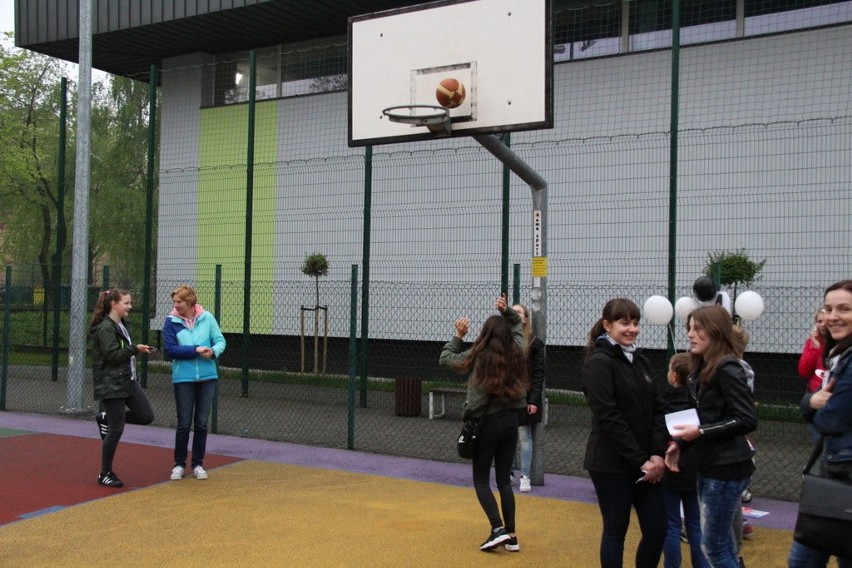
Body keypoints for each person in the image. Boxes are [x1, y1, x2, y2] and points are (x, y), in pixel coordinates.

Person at [665, 305, 758, 568]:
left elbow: (747, 419)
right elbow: (706, 415)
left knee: (714, 546)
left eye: (698, 329)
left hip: (726, 468)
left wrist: (700, 432)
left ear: (716, 332)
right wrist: (680, 443)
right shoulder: (703, 366)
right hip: (710, 465)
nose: (691, 335)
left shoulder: (727, 366)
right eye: (690, 329)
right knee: (721, 544)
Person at [581, 298, 668, 568]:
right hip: (611, 464)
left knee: (657, 529)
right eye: (624, 323)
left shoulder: (641, 361)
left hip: (647, 464)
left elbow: (658, 409)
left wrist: (655, 454)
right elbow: (609, 417)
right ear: (607, 325)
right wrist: (639, 460)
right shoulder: (599, 363)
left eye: (635, 323)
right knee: (616, 530)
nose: (632, 329)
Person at [439, 294, 529, 552]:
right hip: (511, 422)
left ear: (485, 334)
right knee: (503, 480)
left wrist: (458, 334)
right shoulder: (517, 353)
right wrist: (509, 313)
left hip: (485, 423)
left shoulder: (477, 355)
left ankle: (497, 528)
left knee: (481, 479)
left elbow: (446, 358)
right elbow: (518, 329)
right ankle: (511, 535)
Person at [787, 279, 852, 568]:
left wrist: (810, 406)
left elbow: (832, 418)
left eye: (844, 308)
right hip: (834, 471)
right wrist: (811, 402)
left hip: (842, 473)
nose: (833, 316)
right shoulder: (839, 354)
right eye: (828, 308)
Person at [89, 289, 156, 487]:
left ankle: (105, 418)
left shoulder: (122, 325)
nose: (130, 306)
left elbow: (122, 353)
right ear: (114, 304)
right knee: (116, 430)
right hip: (111, 384)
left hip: (128, 381)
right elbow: (112, 356)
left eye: (130, 303)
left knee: (146, 416)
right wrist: (134, 348)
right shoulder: (105, 329)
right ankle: (105, 473)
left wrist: (136, 349)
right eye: (126, 303)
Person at [163, 285, 226, 481]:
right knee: (183, 423)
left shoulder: (207, 318)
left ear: (190, 302)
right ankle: (179, 465)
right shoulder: (171, 322)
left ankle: (198, 464)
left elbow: (220, 340)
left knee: (201, 423)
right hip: (183, 379)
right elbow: (170, 350)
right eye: (174, 302)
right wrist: (196, 350)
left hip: (208, 378)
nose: (175, 306)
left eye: (179, 302)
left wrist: (213, 351)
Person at [662, 352, 709, 568]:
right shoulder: (700, 402)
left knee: (671, 524)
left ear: (673, 376)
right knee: (696, 526)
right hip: (695, 467)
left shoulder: (664, 402)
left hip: (671, 468)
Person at [512, 303, 545, 493]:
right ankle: (507, 473)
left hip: (525, 398)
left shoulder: (534, 343)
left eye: (519, 312)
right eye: (513, 312)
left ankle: (525, 476)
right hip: (507, 399)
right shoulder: (503, 341)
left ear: (525, 319)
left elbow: (539, 374)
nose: (515, 315)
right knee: (507, 437)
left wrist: (533, 399)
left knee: (525, 436)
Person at [798, 308, 829, 394]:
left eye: (826, 321)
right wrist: (815, 348)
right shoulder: (812, 342)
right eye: (820, 321)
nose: (823, 325)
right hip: (815, 391)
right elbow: (804, 372)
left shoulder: (842, 342)